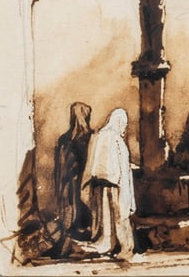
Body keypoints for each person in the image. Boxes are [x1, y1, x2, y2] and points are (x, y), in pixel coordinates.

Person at [82, 108, 136, 260]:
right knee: (117, 215)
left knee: (112, 216)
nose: (124, 127)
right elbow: (108, 164)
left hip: (110, 184)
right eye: (123, 123)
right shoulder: (110, 138)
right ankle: (124, 247)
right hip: (112, 184)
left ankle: (119, 246)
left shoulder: (108, 137)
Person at [53, 102, 94, 243]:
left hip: (72, 178)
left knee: (75, 203)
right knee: (76, 202)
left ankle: (74, 230)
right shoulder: (89, 137)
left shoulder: (65, 138)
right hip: (78, 178)